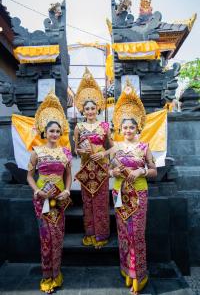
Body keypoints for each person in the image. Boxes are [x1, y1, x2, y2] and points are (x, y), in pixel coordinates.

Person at [108, 80, 157, 294]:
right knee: (123, 233)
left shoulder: (144, 147)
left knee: (136, 233)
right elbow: (108, 171)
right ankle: (127, 270)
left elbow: (154, 170)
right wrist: (114, 172)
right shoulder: (115, 148)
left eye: (131, 127)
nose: (128, 130)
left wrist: (141, 171)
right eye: (125, 127)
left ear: (138, 127)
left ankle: (140, 275)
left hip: (139, 192)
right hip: (119, 193)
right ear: (120, 128)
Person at [27, 91, 72, 294]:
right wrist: (37, 191)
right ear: (45, 132)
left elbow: (68, 175)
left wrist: (68, 190)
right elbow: (29, 176)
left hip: (59, 200)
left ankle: (57, 273)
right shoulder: (37, 151)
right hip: (42, 200)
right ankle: (47, 277)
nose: (55, 134)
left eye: (57, 131)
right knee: (46, 236)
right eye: (51, 131)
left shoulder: (65, 153)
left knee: (58, 236)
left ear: (61, 133)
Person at [74, 67, 113, 248]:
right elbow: (75, 149)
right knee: (87, 201)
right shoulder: (79, 128)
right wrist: (80, 152)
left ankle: (102, 235)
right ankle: (90, 233)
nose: (90, 111)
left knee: (101, 201)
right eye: (86, 108)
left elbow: (112, 149)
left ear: (98, 108)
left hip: (101, 168)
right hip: (85, 169)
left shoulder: (104, 126)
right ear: (82, 109)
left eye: (92, 108)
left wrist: (102, 153)